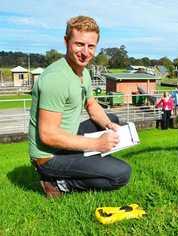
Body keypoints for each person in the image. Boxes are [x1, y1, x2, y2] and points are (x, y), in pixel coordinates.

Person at [28, 16, 131, 198]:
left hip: (68, 136)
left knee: (113, 120)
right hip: (49, 155)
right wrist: (96, 144)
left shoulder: (83, 71)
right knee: (120, 174)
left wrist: (108, 125)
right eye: (79, 44)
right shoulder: (57, 79)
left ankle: (88, 161)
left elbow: (91, 104)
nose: (85, 52)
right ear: (66, 41)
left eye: (90, 46)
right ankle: (58, 183)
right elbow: (48, 135)